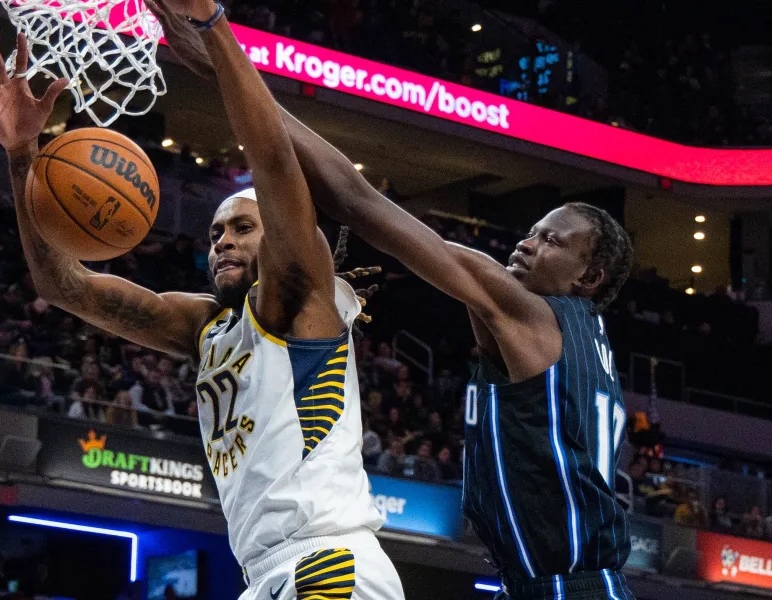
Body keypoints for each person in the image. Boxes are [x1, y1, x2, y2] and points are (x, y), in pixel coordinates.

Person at [143, 8, 636, 598]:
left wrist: (222, 63)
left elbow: (356, 201)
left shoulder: (532, 314)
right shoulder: (577, 339)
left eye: (551, 241)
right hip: (536, 583)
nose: (526, 244)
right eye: (530, 232)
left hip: (568, 587)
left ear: (590, 276)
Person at [0, 24, 402, 600]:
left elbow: (276, 161)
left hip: (329, 561)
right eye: (215, 232)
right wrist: (22, 155)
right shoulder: (207, 328)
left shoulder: (302, 301)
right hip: (268, 573)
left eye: (243, 228)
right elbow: (64, 286)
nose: (223, 241)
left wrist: (213, 37)